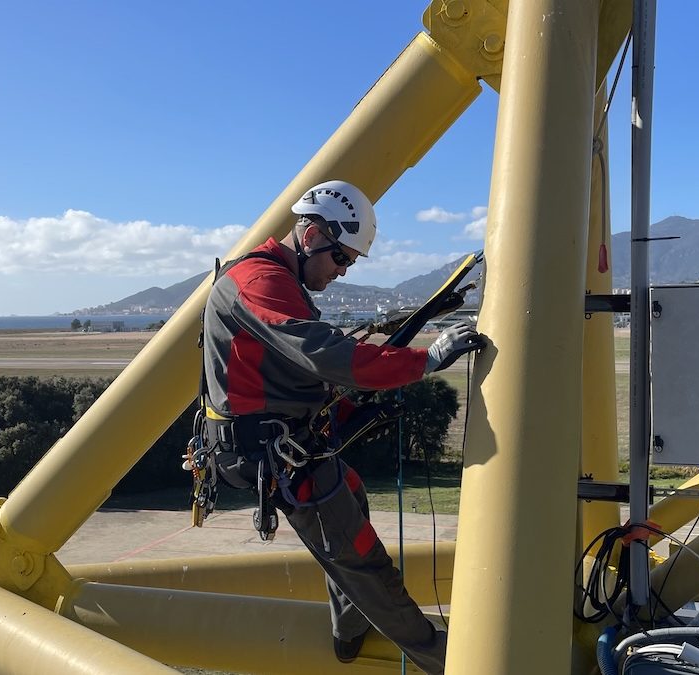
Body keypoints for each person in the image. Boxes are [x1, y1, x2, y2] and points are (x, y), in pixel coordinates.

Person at [200, 179, 486, 674]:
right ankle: (444, 661)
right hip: (270, 453)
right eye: (341, 259)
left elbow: (291, 374)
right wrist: (426, 360)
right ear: (311, 235)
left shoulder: (278, 280)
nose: (342, 271)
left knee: (351, 494)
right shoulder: (260, 282)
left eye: (350, 262)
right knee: (364, 561)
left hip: (281, 445)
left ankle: (350, 628)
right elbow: (325, 354)